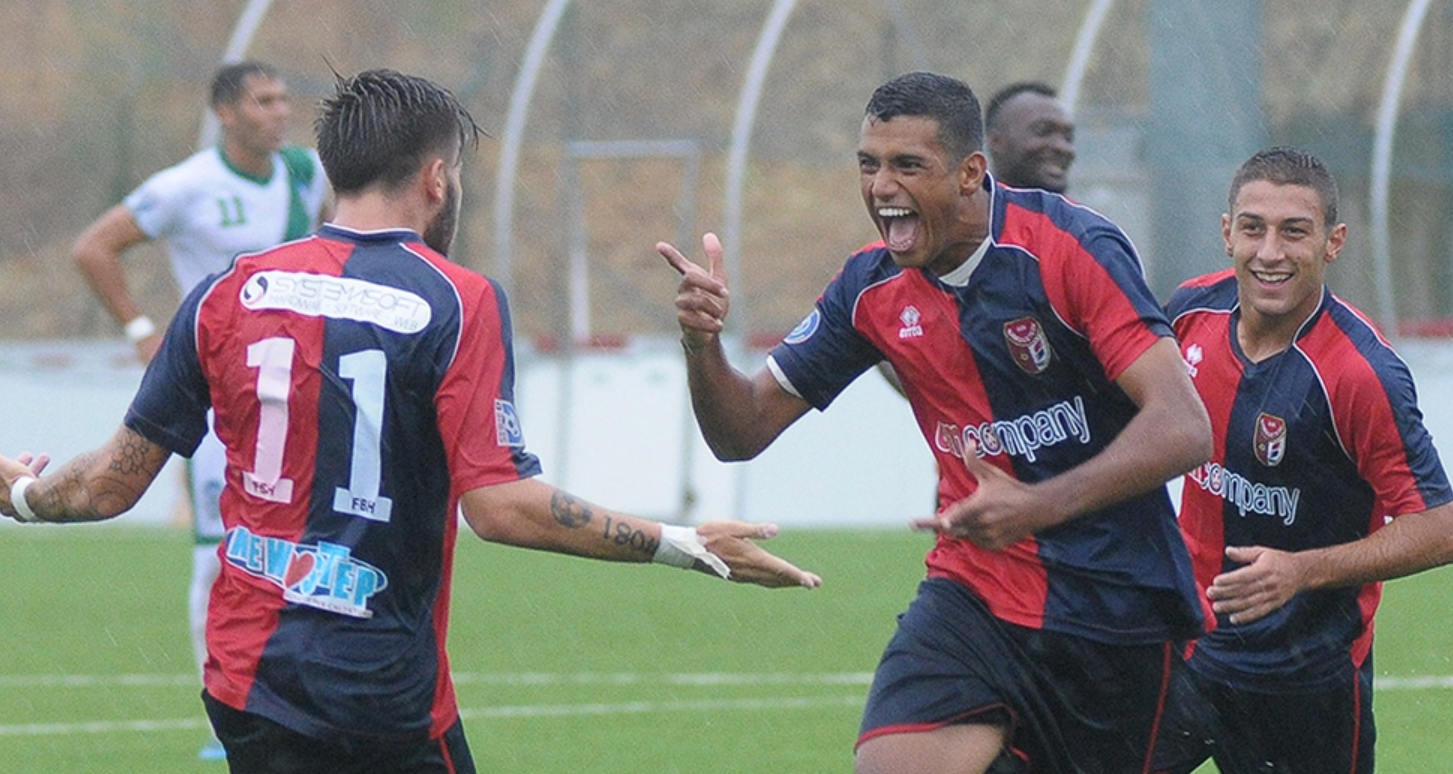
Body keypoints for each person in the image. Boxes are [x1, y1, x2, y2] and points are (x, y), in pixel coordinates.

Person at [3, 68, 820, 774]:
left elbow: (110, 484)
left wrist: (27, 496)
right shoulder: (455, 300)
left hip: (244, 683)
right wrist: (680, 543)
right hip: (375, 691)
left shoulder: (228, 288)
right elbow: (499, 506)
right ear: (436, 178)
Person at [659, 70, 1210, 774]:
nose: (881, 187)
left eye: (906, 165)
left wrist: (1036, 505)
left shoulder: (1069, 247)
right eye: (868, 164)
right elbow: (741, 431)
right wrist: (700, 343)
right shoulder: (869, 287)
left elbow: (1182, 425)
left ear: (969, 172)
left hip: (1116, 606)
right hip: (971, 595)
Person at [1151, 147, 1453, 773]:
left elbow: (1440, 525)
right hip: (1182, 647)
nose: (1270, 252)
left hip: (1305, 674)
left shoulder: (1360, 372)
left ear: (1333, 242)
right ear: (1227, 231)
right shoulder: (1190, 313)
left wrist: (1301, 571)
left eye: (1295, 231)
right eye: (1254, 228)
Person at [70, 59, 331, 761]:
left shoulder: (308, 175)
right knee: (220, 556)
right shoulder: (186, 187)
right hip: (221, 400)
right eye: (264, 100)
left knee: (313, 548)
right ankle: (223, 710)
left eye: (283, 98)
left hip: (303, 391)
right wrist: (141, 332)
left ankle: (300, 690)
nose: (280, 111)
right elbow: (94, 247)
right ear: (225, 113)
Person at [983, 81, 1075, 193]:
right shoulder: (964, 208)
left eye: (1068, 137)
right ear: (996, 141)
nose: (1063, 147)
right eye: (1043, 131)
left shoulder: (1080, 210)